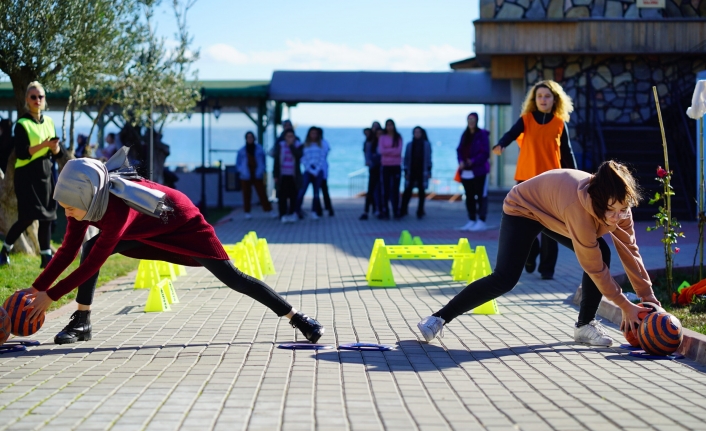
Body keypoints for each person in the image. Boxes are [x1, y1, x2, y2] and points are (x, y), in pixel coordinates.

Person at [20, 147, 324, 345]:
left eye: (69, 207)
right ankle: (82, 321)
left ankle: (296, 318)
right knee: (89, 247)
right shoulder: (83, 201)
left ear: (87, 197)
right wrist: (39, 287)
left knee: (234, 278)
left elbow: (93, 265)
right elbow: (68, 250)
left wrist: (53, 296)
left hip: (184, 223)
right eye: (63, 207)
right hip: (146, 230)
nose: (66, 213)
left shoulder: (117, 209)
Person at [417, 161, 659, 347]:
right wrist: (625, 306)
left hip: (554, 211)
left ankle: (585, 326)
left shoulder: (621, 207)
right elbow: (593, 267)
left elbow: (631, 252)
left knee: (603, 249)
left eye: (622, 209)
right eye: (611, 210)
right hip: (523, 207)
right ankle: (438, 318)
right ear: (598, 200)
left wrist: (649, 300)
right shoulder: (580, 209)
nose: (617, 216)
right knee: (505, 279)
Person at [492, 80, 577, 280]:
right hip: (526, 181)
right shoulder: (526, 119)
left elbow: (567, 152)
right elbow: (511, 134)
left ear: (554, 99)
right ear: (534, 99)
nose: (543, 99)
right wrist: (501, 144)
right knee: (523, 225)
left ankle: (547, 270)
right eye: (539, 96)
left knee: (551, 227)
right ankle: (530, 255)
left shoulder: (559, 123)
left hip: (551, 182)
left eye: (547, 96)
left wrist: (576, 179)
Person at [1, 82, 66, 268]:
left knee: (47, 216)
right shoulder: (22, 124)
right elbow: (22, 152)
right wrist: (45, 145)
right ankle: (5, 250)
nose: (38, 100)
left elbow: (58, 154)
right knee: (27, 217)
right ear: (26, 100)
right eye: (33, 97)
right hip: (27, 175)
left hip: (46, 173)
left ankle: (46, 258)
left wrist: (55, 148)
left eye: (41, 97)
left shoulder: (50, 122)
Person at [457, 113, 491, 231]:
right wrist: (461, 161)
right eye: (469, 119)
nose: (471, 121)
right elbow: (459, 149)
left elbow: (485, 152)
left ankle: (481, 220)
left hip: (479, 171)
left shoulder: (482, 135)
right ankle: (471, 219)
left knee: (481, 196)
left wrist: (473, 161)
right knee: (469, 196)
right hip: (466, 172)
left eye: (473, 119)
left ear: (477, 121)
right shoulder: (465, 134)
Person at [236, 131, 274, 219]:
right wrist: (242, 171)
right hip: (245, 175)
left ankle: (269, 210)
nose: (250, 139)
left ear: (254, 138)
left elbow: (263, 161)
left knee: (262, 193)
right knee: (246, 194)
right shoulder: (242, 150)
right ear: (246, 139)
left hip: (257, 174)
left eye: (251, 137)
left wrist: (261, 170)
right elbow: (238, 164)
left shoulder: (260, 149)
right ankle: (247, 212)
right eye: (248, 137)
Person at [270, 129, 302, 223]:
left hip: (293, 175)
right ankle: (282, 214)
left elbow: (298, 155)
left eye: (291, 136)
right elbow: (276, 161)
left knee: (293, 196)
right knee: (282, 196)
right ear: (284, 137)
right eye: (288, 136)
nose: (290, 138)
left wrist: (291, 145)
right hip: (282, 175)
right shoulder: (280, 146)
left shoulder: (298, 145)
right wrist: (275, 175)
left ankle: (292, 214)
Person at [400, 126, 432, 219]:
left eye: (419, 132)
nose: (417, 134)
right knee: (407, 192)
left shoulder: (426, 144)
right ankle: (403, 210)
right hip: (411, 172)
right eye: (415, 132)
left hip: (422, 172)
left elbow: (429, 158)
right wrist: (406, 171)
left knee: (421, 193)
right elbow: (406, 159)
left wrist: (429, 170)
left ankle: (420, 211)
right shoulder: (409, 145)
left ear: (422, 133)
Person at [296, 127, 326, 220]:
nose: (314, 135)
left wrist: (317, 170)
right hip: (308, 171)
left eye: (315, 133)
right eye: (312, 133)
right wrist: (310, 169)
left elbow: (322, 158)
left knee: (316, 193)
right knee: (302, 191)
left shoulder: (321, 145)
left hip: (318, 171)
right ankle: (296, 211)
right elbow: (302, 158)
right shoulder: (304, 145)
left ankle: (314, 211)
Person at [377, 119, 404, 220]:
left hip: (396, 166)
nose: (389, 127)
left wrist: (389, 151)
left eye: (391, 125)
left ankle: (396, 210)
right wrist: (392, 151)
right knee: (386, 189)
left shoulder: (398, 137)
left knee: (395, 189)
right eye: (388, 125)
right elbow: (382, 151)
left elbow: (399, 151)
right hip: (385, 166)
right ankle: (385, 210)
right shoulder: (382, 137)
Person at [360, 127, 381, 220]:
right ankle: (367, 211)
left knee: (380, 191)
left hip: (383, 169)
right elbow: (367, 156)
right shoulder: (370, 143)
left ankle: (379, 209)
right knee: (371, 190)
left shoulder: (383, 143)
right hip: (373, 169)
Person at [315, 127, 334, 216]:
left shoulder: (323, 143)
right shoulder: (323, 143)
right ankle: (321, 209)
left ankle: (326, 209)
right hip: (317, 170)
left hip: (321, 170)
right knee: (321, 191)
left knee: (322, 190)